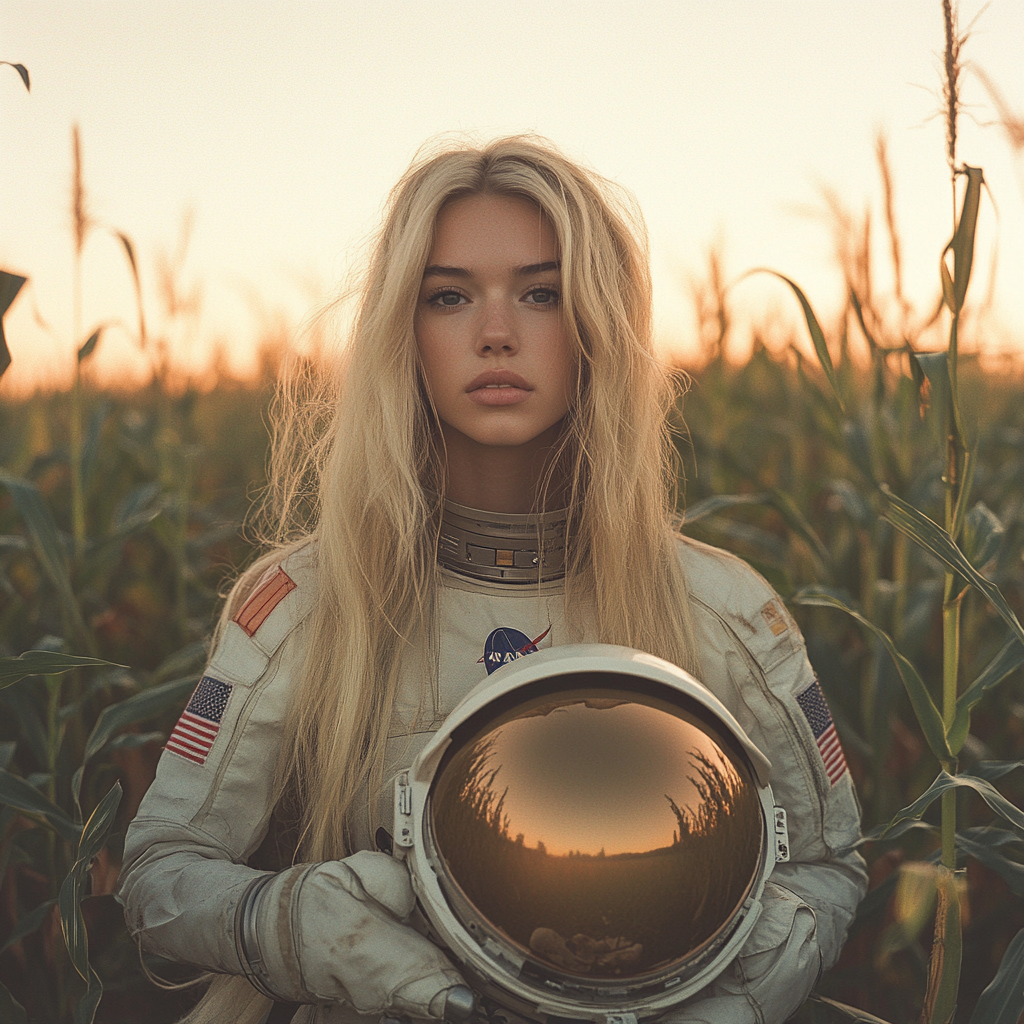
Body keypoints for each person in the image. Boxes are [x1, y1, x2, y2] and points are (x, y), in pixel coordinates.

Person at [117, 136, 867, 1024]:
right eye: (449, 296)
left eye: (541, 293)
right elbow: (159, 871)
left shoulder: (728, 613)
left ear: (599, 320)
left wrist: (762, 977)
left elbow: (832, 864)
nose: (496, 332)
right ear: (404, 326)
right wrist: (291, 923)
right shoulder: (304, 604)